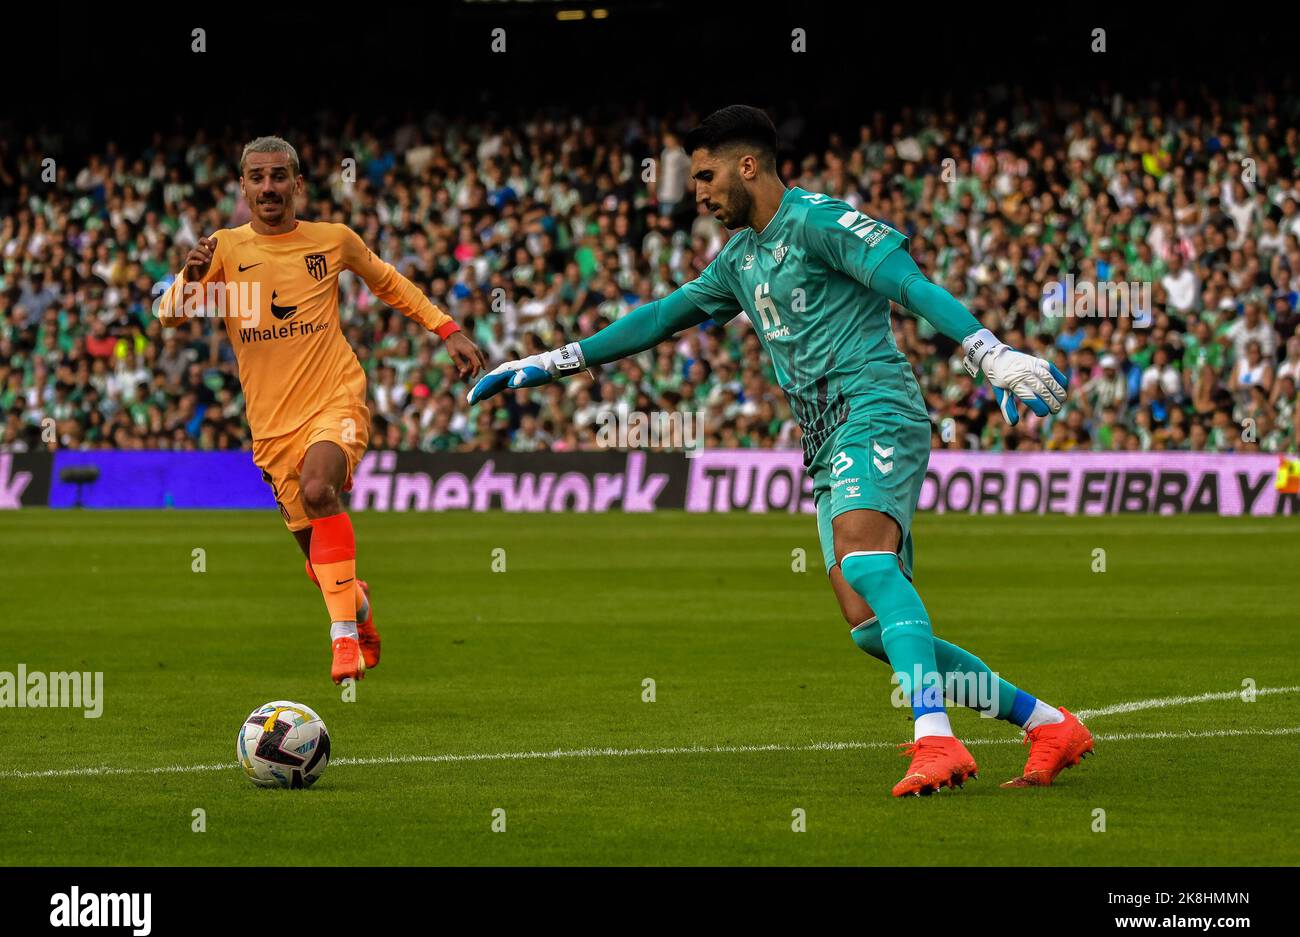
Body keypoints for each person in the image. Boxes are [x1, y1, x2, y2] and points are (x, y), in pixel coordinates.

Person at [469, 106, 1094, 796]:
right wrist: (551, 361)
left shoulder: (820, 221)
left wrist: (987, 351)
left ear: (748, 165)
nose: (695, 192)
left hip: (875, 408)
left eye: (704, 176)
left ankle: (936, 737)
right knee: (867, 626)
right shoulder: (739, 260)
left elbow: (908, 284)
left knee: (868, 563)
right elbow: (658, 318)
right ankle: (1048, 723)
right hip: (825, 441)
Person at [157, 136, 487, 683]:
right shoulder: (224, 249)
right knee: (318, 563)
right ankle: (357, 606)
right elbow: (169, 316)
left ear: (298, 184)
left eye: (279, 176)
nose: (269, 186)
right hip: (271, 426)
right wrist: (190, 279)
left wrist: (445, 328)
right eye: (257, 177)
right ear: (242, 186)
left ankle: (343, 639)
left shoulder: (332, 241)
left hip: (336, 397)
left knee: (319, 489)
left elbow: (389, 282)